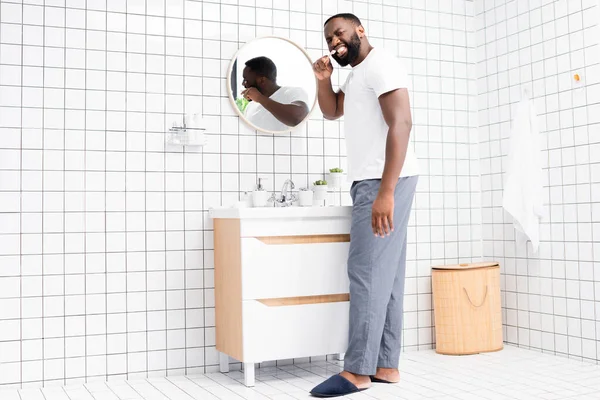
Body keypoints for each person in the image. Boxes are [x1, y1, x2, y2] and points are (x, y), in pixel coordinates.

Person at [309, 13, 420, 398]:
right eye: (328, 39)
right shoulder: (358, 74)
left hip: (383, 179)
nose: (333, 42)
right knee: (385, 277)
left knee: (365, 272)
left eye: (338, 33)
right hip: (378, 179)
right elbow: (331, 110)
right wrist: (324, 80)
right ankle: (386, 365)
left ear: (360, 30)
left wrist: (385, 191)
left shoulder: (381, 63)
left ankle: (357, 371)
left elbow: (402, 123)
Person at [240, 56, 310, 132]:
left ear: (262, 80)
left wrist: (260, 98)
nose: (243, 84)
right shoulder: (250, 107)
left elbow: (298, 118)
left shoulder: (292, 92)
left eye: (246, 80)